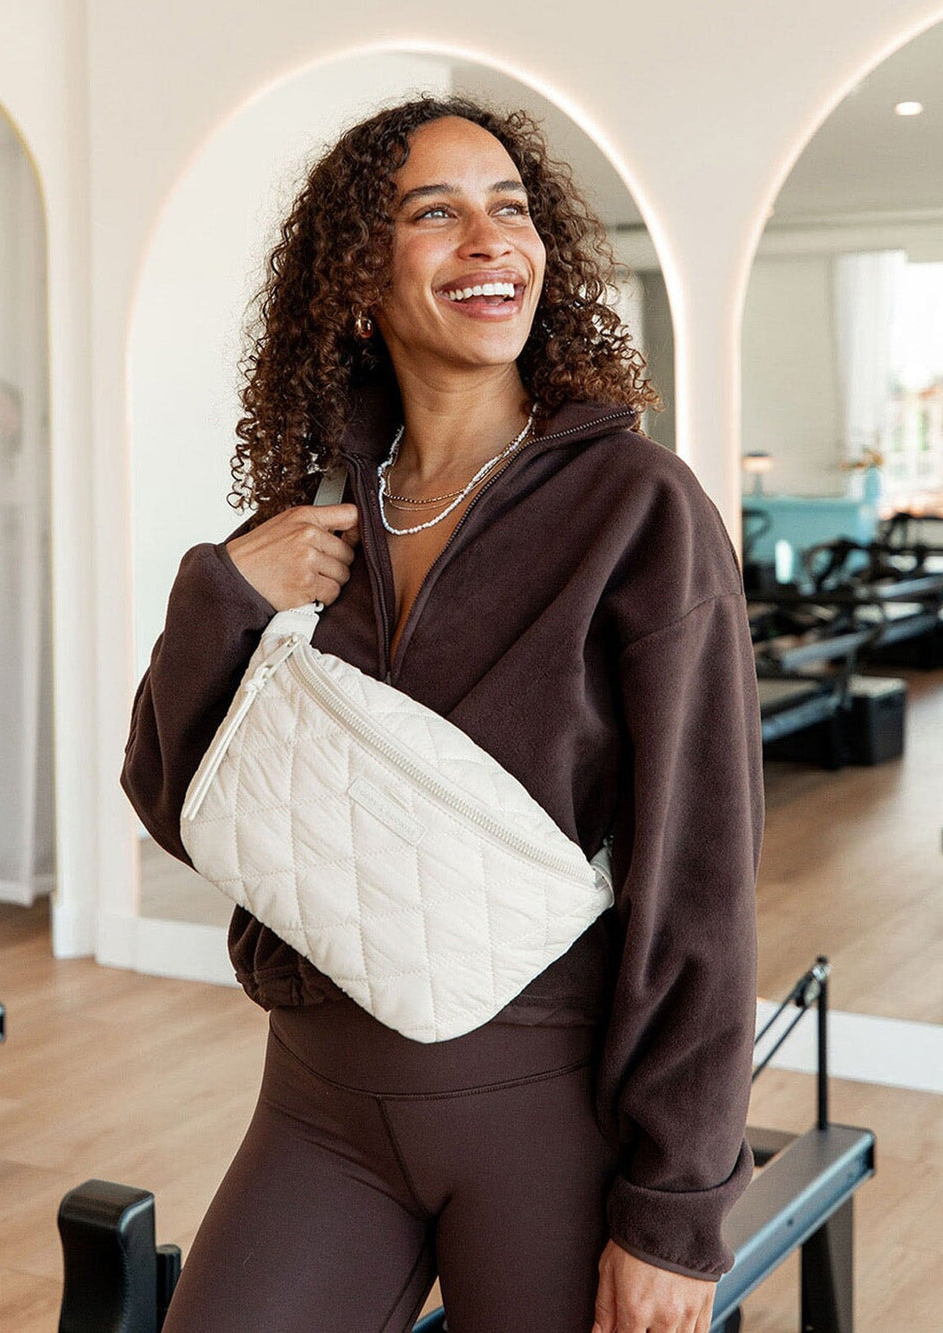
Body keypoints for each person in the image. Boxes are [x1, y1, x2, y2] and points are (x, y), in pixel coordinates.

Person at [122, 95, 763, 1333]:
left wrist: (675, 1210)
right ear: (360, 274)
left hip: (542, 1111)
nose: (490, 240)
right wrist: (224, 592)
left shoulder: (636, 508)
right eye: (436, 212)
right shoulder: (315, 509)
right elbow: (173, 799)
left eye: (510, 208)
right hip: (315, 1101)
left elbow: (700, 874)